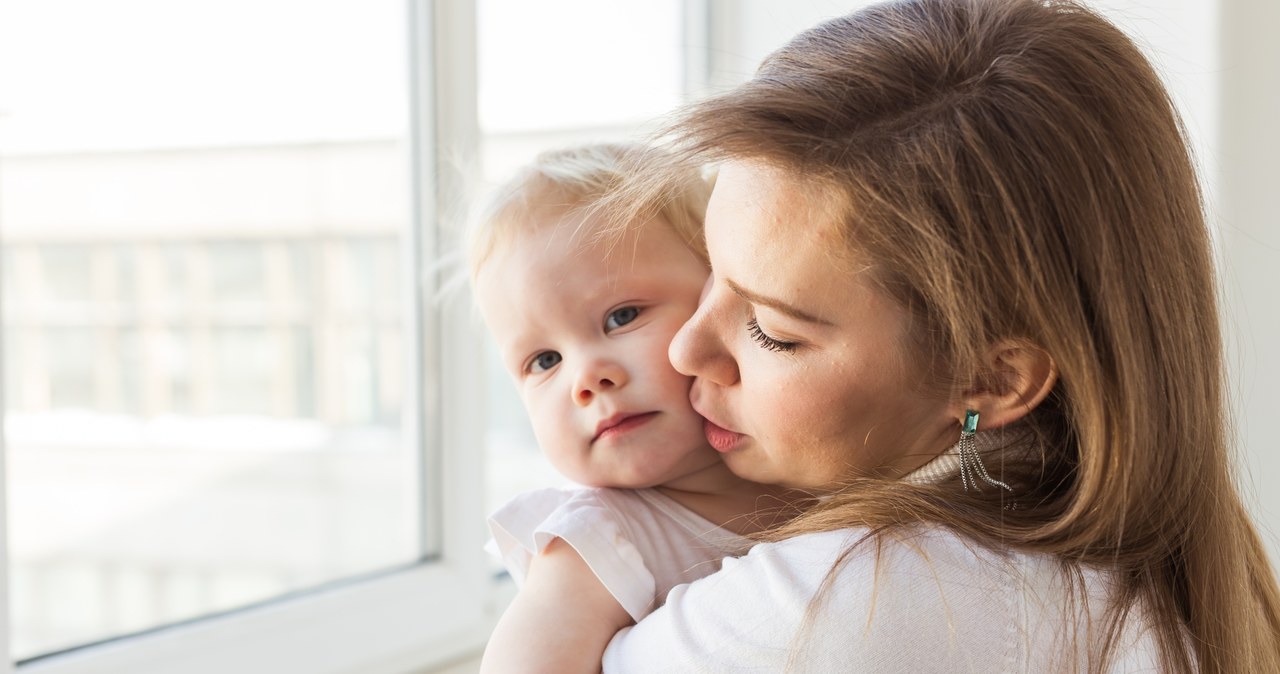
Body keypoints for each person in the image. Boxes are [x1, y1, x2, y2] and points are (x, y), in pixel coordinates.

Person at [597, 0, 1280, 672]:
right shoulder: (1185, 577)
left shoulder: (843, 601)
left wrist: (588, 553)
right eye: (708, 268)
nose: (686, 350)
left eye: (772, 332)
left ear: (991, 379)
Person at [467, 143, 798, 673]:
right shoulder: (598, 545)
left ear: (719, 296)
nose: (586, 379)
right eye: (544, 360)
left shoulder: (822, 466)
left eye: (621, 317)